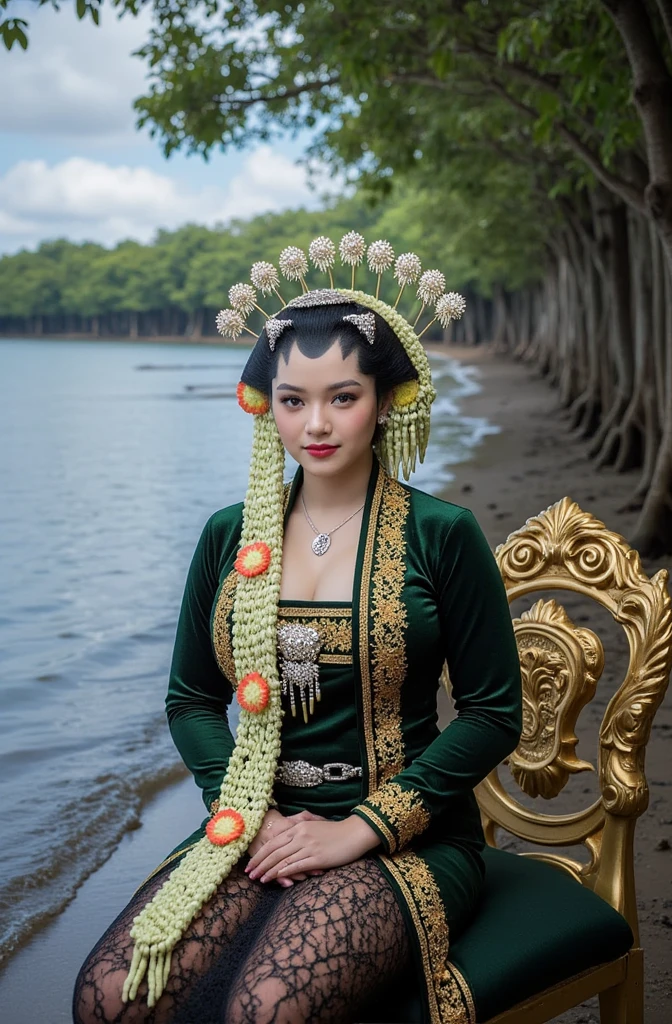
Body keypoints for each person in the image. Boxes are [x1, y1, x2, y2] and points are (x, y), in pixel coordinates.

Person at [73, 234, 523, 1024]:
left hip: (405, 838)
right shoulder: (228, 535)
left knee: (267, 1008)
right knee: (111, 995)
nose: (315, 423)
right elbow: (189, 700)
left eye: (342, 397)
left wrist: (359, 830)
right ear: (267, 406)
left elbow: (492, 712)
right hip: (257, 825)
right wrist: (250, 817)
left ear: (386, 401)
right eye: (293, 400)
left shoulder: (442, 533)